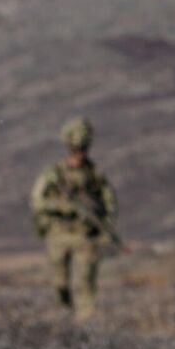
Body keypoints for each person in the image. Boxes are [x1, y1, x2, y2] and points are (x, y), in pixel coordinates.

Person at [30, 116, 118, 321]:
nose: (80, 153)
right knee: (60, 283)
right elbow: (37, 201)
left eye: (83, 149)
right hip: (58, 234)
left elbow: (109, 203)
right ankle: (65, 320)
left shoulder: (95, 175)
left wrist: (105, 226)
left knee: (86, 282)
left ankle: (86, 324)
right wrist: (63, 207)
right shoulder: (54, 173)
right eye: (77, 148)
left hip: (85, 235)